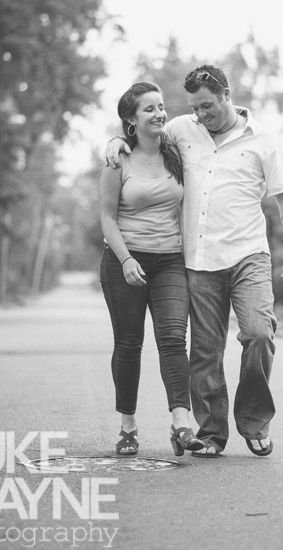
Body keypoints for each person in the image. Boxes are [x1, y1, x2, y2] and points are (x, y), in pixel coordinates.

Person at [106, 65, 283, 458]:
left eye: (208, 106)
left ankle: (254, 420)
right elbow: (142, 133)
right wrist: (116, 139)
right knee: (204, 352)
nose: (202, 115)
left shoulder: (263, 139)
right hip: (198, 259)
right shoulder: (182, 129)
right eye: (196, 108)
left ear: (227, 95)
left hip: (249, 254)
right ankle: (212, 431)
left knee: (258, 333)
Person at [98, 81, 204, 457]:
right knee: (129, 345)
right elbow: (107, 219)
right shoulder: (117, 160)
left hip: (170, 260)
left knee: (174, 340)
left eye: (161, 106)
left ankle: (181, 425)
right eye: (149, 109)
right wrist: (126, 259)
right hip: (124, 260)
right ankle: (128, 425)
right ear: (131, 119)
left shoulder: (176, 153)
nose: (160, 113)